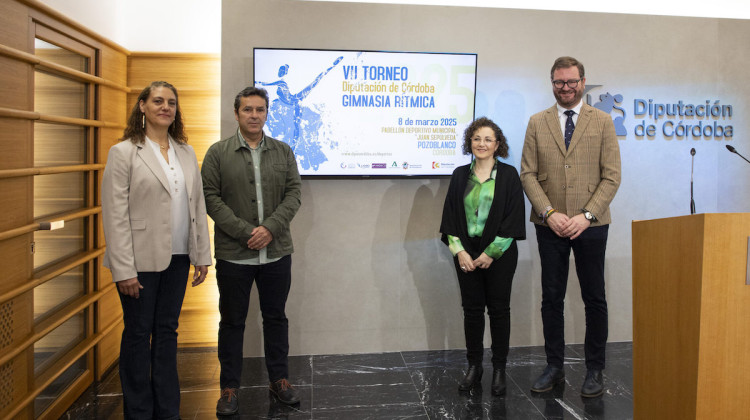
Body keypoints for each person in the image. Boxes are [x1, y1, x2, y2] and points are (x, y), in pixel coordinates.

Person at [101, 81, 212, 419]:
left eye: (172, 102)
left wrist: (201, 256)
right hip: (139, 261)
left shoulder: (185, 151)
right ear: (143, 107)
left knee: (167, 332)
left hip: (178, 257)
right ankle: (138, 411)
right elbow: (114, 213)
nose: (166, 107)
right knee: (138, 333)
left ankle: (168, 410)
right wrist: (124, 270)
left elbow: (196, 204)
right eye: (158, 101)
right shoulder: (123, 152)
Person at [520, 56, 621, 397]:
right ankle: (554, 366)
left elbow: (611, 176)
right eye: (559, 82)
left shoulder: (603, 121)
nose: (566, 88)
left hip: (591, 225)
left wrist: (586, 215)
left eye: (571, 82)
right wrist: (549, 213)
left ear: (582, 81)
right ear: (552, 84)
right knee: (552, 298)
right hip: (550, 225)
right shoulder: (537, 122)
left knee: (594, 298)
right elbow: (527, 174)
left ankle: (595, 370)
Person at [202, 87, 302, 415]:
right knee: (232, 322)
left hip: (276, 253)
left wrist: (270, 228)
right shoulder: (218, 153)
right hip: (234, 255)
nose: (254, 115)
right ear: (236, 113)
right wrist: (247, 232)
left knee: (276, 318)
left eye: (260, 110)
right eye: (248, 110)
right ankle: (229, 388)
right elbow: (210, 198)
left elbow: (293, 194)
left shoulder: (283, 152)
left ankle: (280, 380)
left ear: (267, 113)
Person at [439, 117, 526, 396]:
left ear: (497, 144)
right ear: (470, 142)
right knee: (472, 312)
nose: (482, 144)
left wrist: (491, 253)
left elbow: (513, 219)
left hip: (499, 255)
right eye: (477, 138)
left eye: (488, 139)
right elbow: (450, 218)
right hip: (466, 255)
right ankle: (474, 367)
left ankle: (499, 369)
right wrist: (460, 251)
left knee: (499, 311)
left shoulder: (510, 175)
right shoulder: (459, 175)